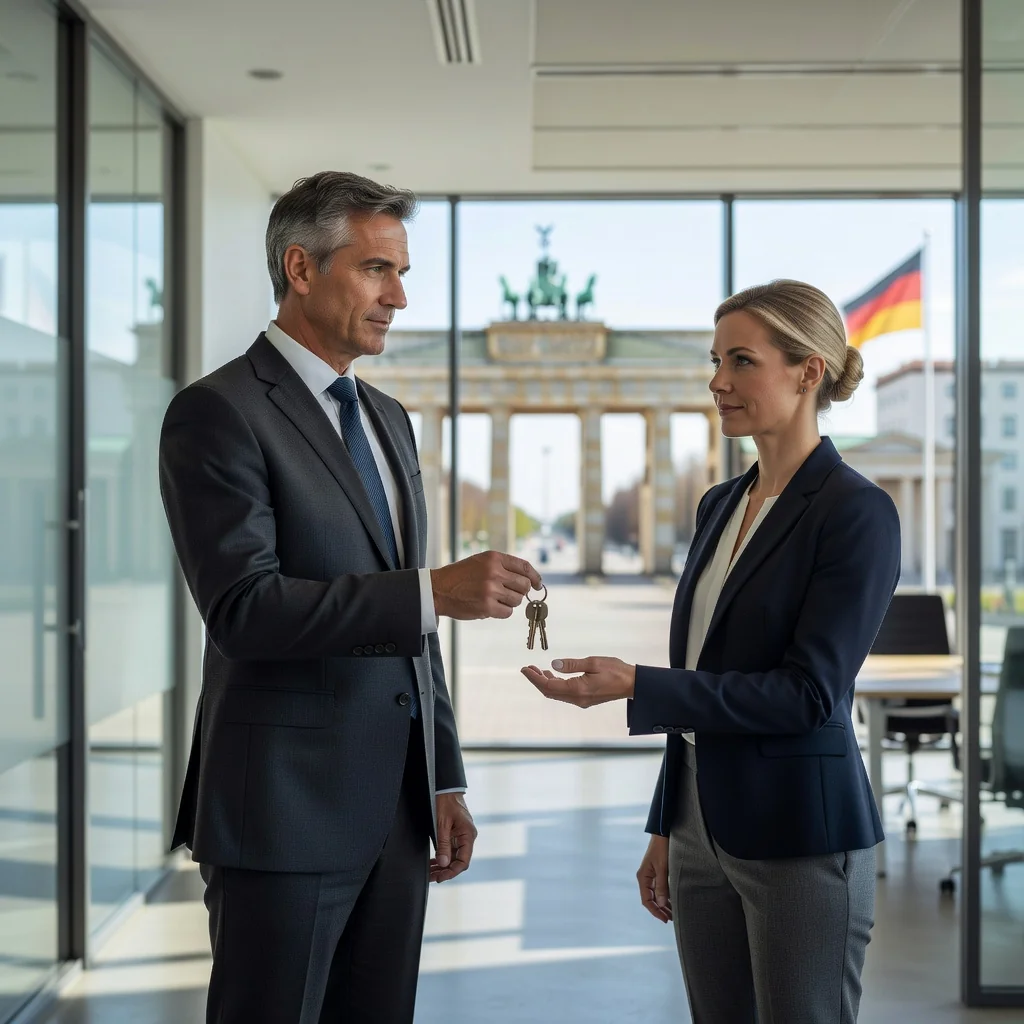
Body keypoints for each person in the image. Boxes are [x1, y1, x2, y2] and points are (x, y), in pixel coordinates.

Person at [160, 171, 542, 1024]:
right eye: (376, 269)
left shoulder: (388, 418)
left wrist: (443, 778)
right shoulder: (216, 412)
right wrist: (432, 590)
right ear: (301, 268)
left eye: (401, 273)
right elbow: (244, 610)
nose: (398, 297)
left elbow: (415, 631)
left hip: (397, 817)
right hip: (283, 814)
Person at [522, 279, 901, 1024]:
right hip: (700, 823)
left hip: (799, 831)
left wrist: (636, 683)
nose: (717, 381)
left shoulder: (857, 512)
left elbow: (807, 696)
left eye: (741, 361)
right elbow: (703, 673)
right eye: (715, 361)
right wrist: (669, 821)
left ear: (808, 371)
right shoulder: (719, 505)